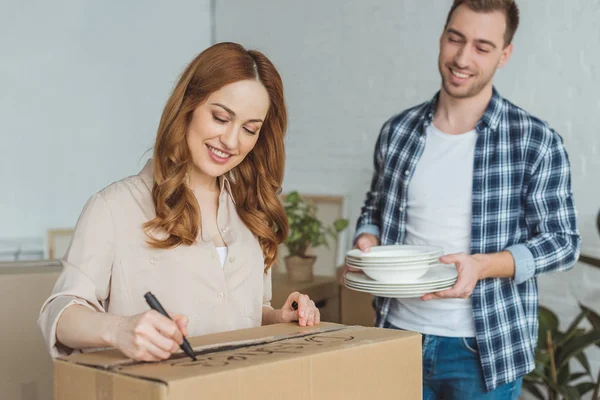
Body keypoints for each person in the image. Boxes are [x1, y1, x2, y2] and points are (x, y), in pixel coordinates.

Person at [351, 1, 580, 398]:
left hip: (483, 349)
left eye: (481, 46)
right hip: (397, 337)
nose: (462, 57)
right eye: (455, 39)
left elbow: (563, 242)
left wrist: (483, 266)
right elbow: (375, 206)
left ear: (504, 54)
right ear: (442, 36)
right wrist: (367, 241)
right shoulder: (398, 131)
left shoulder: (534, 141)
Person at [39, 42, 320, 362]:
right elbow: (59, 315)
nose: (231, 141)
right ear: (188, 105)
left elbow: (247, 311)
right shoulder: (114, 208)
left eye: (249, 129)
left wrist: (277, 317)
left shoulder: (251, 212)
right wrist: (118, 330)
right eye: (220, 118)